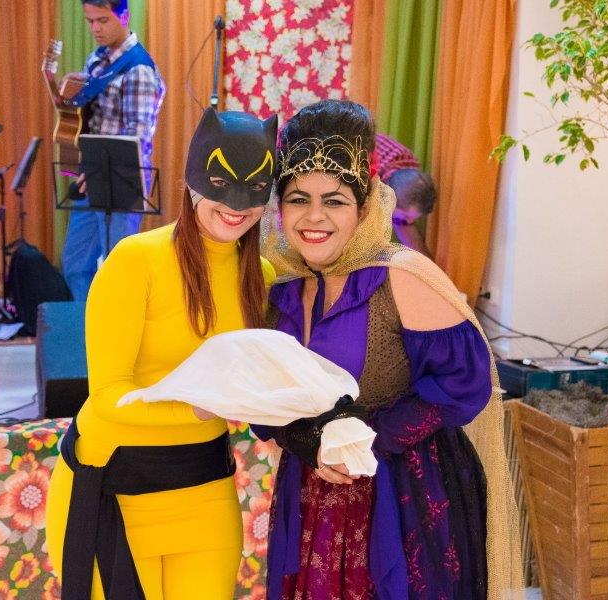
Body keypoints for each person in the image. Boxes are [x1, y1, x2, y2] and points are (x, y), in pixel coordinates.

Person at [254, 100, 523, 599]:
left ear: (364, 206)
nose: (314, 217)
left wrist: (363, 439)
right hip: (311, 501)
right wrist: (305, 440)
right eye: (298, 198)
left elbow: (465, 386)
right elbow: (264, 397)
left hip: (403, 504)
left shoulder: (402, 277)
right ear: (279, 206)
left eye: (335, 201)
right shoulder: (281, 289)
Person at [46, 107, 278, 599]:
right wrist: (197, 409)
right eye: (220, 182)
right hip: (113, 485)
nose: (235, 203)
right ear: (193, 179)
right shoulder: (137, 260)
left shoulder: (261, 276)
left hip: (204, 488)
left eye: (255, 187)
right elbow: (109, 394)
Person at [61, 0, 166, 301]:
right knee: (75, 265)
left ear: (124, 16)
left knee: (120, 270)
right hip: (91, 176)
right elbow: (87, 112)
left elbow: (138, 138)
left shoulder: (139, 69)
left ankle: (119, 327)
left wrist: (98, 169)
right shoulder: (97, 59)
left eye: (103, 20)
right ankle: (89, 326)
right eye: (90, 21)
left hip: (122, 180)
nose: (95, 28)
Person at [375, 133, 436, 257]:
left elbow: (404, 225)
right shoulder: (362, 178)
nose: (408, 221)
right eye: (406, 216)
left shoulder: (404, 170)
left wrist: (430, 267)